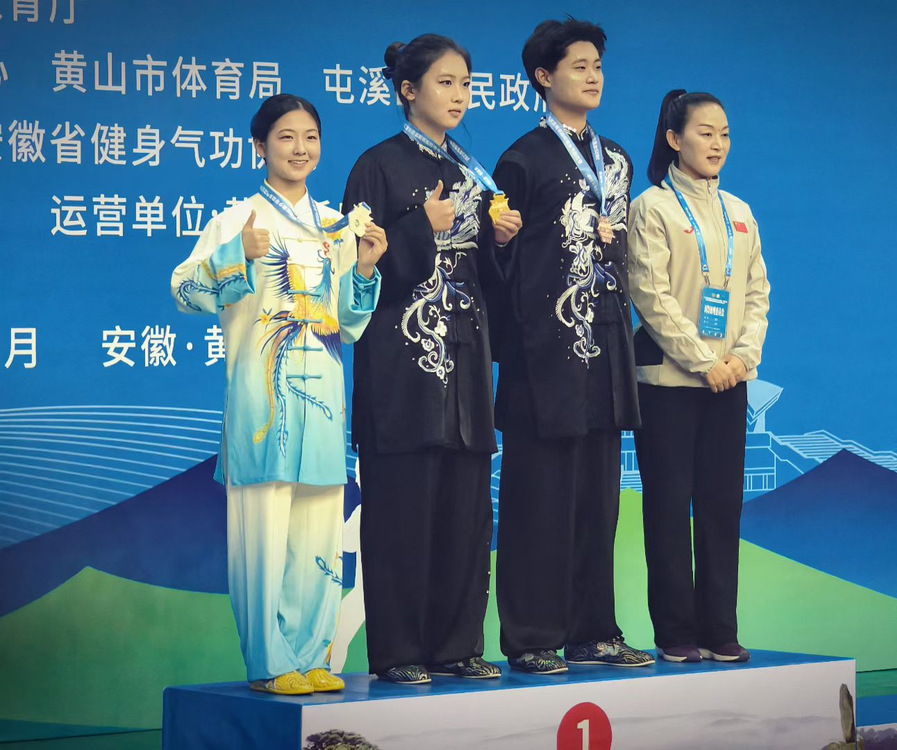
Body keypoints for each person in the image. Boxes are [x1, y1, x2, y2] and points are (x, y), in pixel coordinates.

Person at [170, 94, 387, 694]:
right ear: (259, 147)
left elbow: (348, 323)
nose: (300, 148)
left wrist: (365, 269)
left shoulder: (337, 227)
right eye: (286, 137)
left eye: (310, 137)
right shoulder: (237, 221)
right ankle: (269, 663)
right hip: (262, 407)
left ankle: (313, 656)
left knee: (319, 540)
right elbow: (185, 290)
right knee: (262, 541)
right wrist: (234, 255)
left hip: (324, 406)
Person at [342, 34, 521, 684]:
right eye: (445, 82)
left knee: (465, 517)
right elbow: (355, 269)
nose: (458, 95)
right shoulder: (376, 167)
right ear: (408, 89)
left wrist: (498, 241)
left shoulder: (472, 172)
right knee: (402, 517)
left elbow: (484, 280)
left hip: (465, 367)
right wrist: (423, 226)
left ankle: (457, 646)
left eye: (465, 84)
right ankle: (397, 652)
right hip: (402, 372)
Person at [490, 18, 653, 675]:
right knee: (538, 501)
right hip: (543, 358)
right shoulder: (521, 160)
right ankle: (531, 635)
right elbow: (499, 266)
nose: (593, 77)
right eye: (578, 66)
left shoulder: (616, 160)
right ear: (543, 76)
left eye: (598, 66)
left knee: (597, 503)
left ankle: (593, 632)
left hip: (606, 350)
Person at [628, 89, 769, 664]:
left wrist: (740, 359)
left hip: (728, 383)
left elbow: (757, 293)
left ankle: (719, 629)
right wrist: (703, 361)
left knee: (721, 506)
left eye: (725, 134)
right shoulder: (652, 207)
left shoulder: (740, 212)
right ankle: (676, 633)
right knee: (667, 508)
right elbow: (650, 295)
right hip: (668, 384)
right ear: (674, 139)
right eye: (705, 133)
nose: (717, 144)